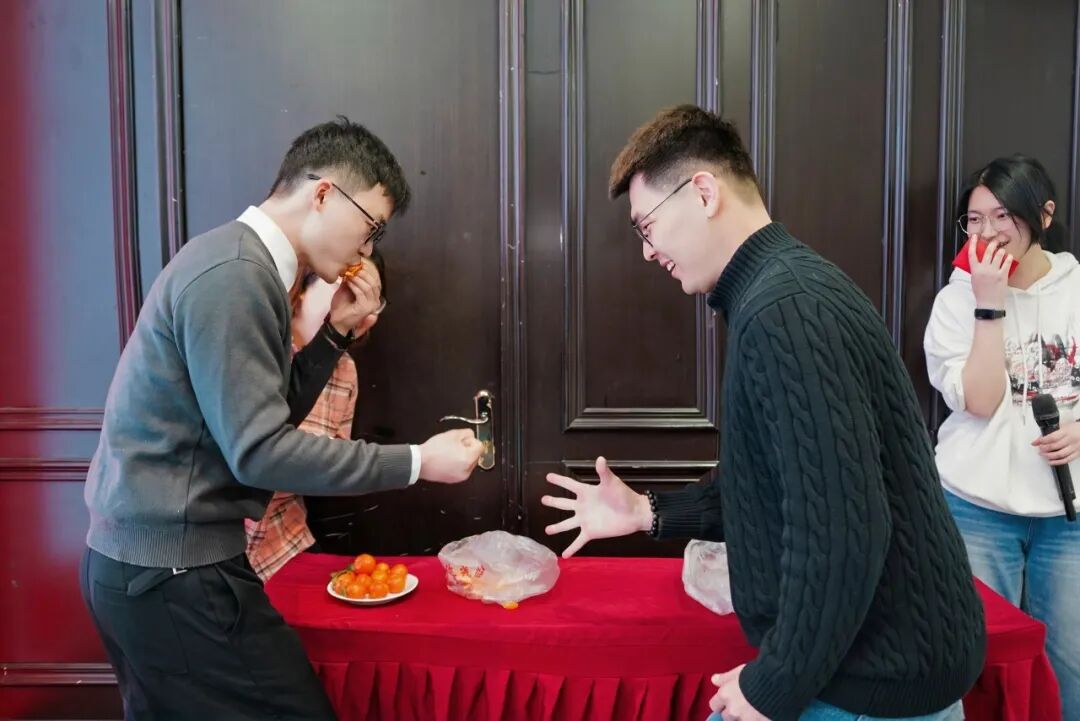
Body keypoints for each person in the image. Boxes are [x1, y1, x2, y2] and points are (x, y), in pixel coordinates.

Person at [542, 105, 985, 721]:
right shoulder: (784, 289)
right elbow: (780, 484)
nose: (647, 251)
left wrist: (773, 685)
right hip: (874, 667)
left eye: (647, 226)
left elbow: (843, 532)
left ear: (703, 192)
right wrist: (648, 512)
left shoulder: (785, 310)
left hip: (872, 682)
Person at [80, 117, 484, 720]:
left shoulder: (240, 265)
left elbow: (257, 420)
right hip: (171, 573)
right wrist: (418, 461)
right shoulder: (237, 274)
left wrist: (334, 336)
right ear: (323, 193)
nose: (366, 249)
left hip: (156, 566)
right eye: (371, 227)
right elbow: (261, 450)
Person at [924, 154, 1080, 714]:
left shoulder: (1075, 288)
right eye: (974, 219)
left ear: (1043, 214)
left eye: (1002, 215)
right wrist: (988, 304)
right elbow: (982, 401)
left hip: (1068, 520)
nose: (986, 232)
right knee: (971, 663)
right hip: (975, 510)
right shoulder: (956, 300)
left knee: (1069, 668)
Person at [245, 252, 388, 582]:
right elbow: (256, 457)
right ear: (302, 288)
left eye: (372, 300)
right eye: (350, 290)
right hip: (214, 548)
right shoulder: (259, 350)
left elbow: (334, 465)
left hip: (283, 544)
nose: (361, 310)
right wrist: (417, 461)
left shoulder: (345, 370)